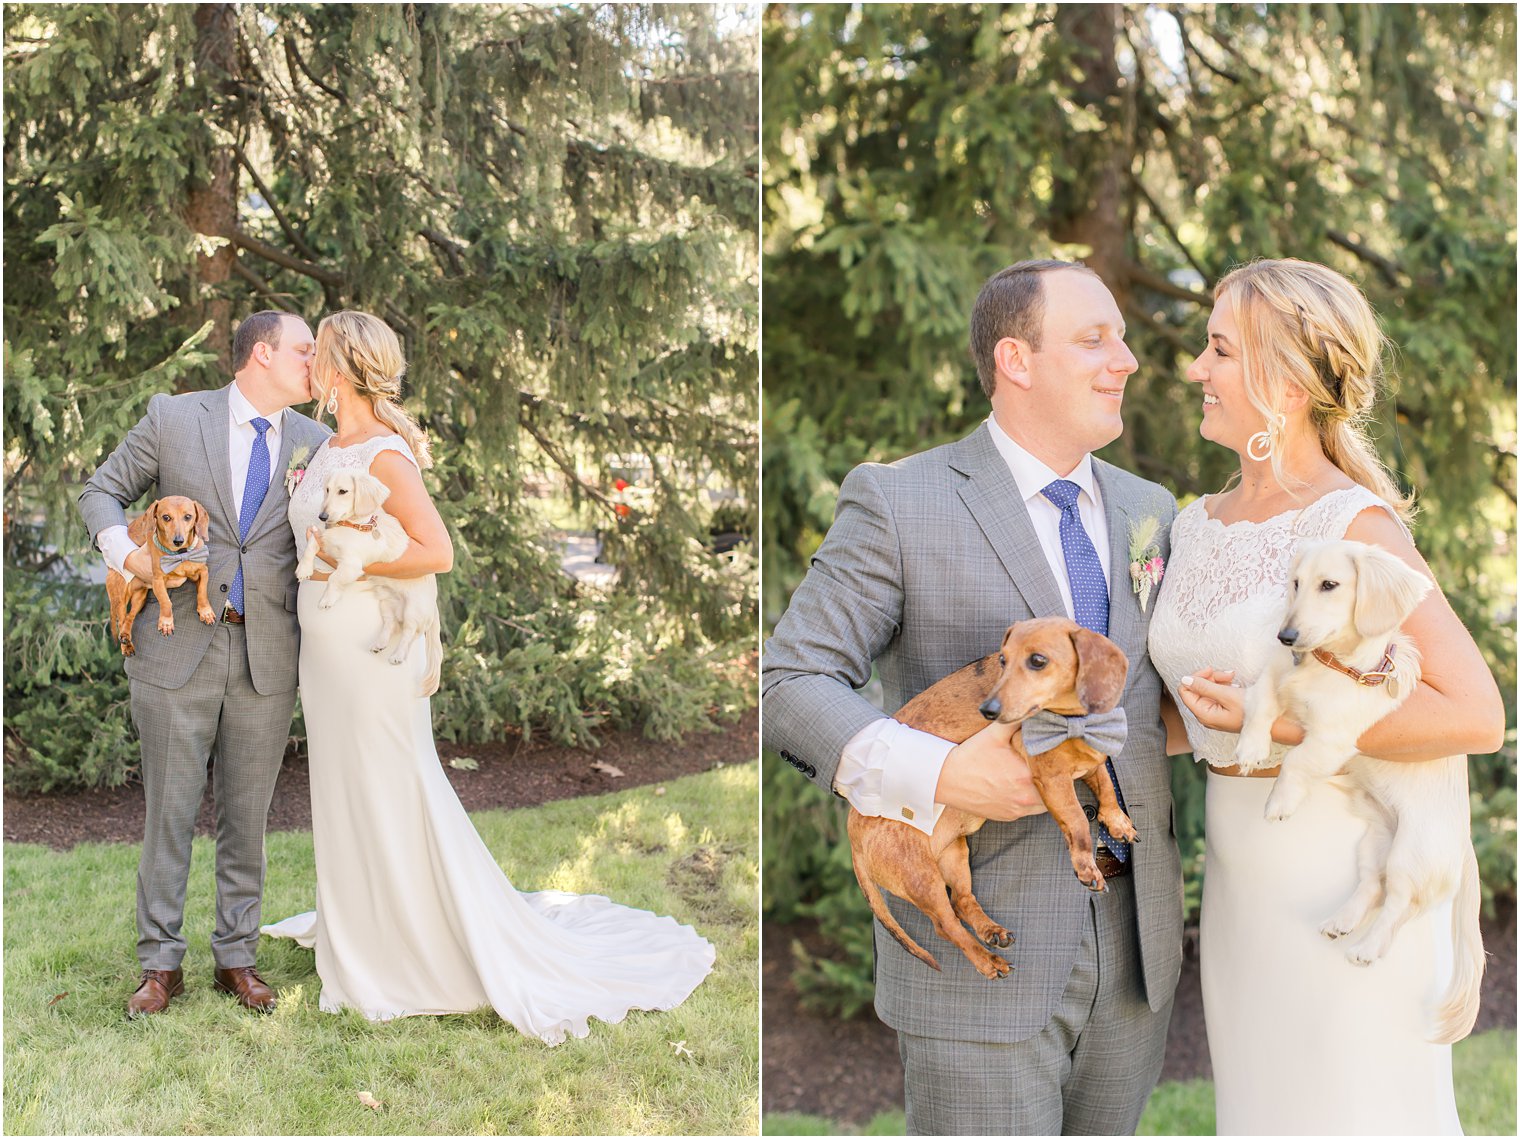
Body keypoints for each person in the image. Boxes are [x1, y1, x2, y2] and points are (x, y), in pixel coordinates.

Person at [763, 261, 1184, 1134]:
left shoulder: (1152, 510)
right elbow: (791, 681)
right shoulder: (900, 499)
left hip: (1139, 954)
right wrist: (945, 772)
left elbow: (1139, 710)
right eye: (1094, 338)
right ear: (1015, 359)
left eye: (1123, 337)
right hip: (980, 954)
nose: (1128, 360)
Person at [260, 311, 714, 1044]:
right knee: (345, 787)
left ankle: (412, 947)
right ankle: (360, 929)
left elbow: (434, 549)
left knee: (391, 784)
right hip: (326, 656)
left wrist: (348, 560)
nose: (308, 361)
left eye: (318, 351)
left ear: (339, 367)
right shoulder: (326, 447)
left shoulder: (382, 453)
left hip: (371, 652)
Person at [1147, 258, 1505, 1135]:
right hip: (1241, 885)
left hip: (1341, 868)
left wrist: (1291, 724)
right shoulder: (1193, 525)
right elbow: (1187, 715)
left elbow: (1477, 713)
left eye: (1219, 350)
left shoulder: (1352, 526)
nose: (1195, 368)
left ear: (1287, 382)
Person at [79, 311, 332, 1018]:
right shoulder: (172, 418)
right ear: (262, 353)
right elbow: (99, 490)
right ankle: (160, 964)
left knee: (248, 817)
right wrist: (128, 555)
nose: (316, 363)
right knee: (169, 812)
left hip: (267, 653)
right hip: (174, 650)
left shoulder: (317, 442)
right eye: (305, 351)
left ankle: (237, 957)